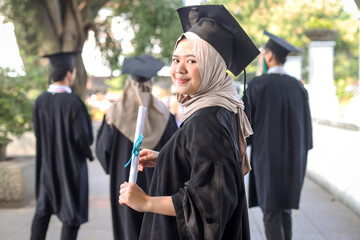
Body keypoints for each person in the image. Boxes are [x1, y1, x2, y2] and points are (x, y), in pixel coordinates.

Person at [118, 5, 259, 240]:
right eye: (175, 60)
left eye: (192, 61)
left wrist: (145, 202)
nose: (179, 70)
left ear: (211, 65)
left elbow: (208, 205)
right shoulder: (218, 106)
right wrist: (166, 159)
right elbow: (209, 168)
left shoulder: (208, 121)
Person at [95, 55, 178, 240]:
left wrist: (116, 166)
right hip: (158, 188)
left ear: (128, 82)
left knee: (128, 231)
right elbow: (174, 152)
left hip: (124, 183)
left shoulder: (113, 114)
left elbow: (103, 152)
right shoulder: (164, 114)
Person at [247, 30, 313, 240]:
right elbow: (308, 135)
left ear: (269, 56)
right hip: (294, 160)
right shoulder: (298, 88)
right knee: (284, 211)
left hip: (267, 159)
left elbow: (246, 130)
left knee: (271, 213)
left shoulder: (257, 85)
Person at [31, 51, 94, 240]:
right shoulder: (74, 102)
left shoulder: (40, 101)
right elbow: (83, 138)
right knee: (70, 215)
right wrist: (87, 153)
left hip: (46, 167)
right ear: (69, 74)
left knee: (42, 212)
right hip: (70, 167)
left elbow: (37, 133)